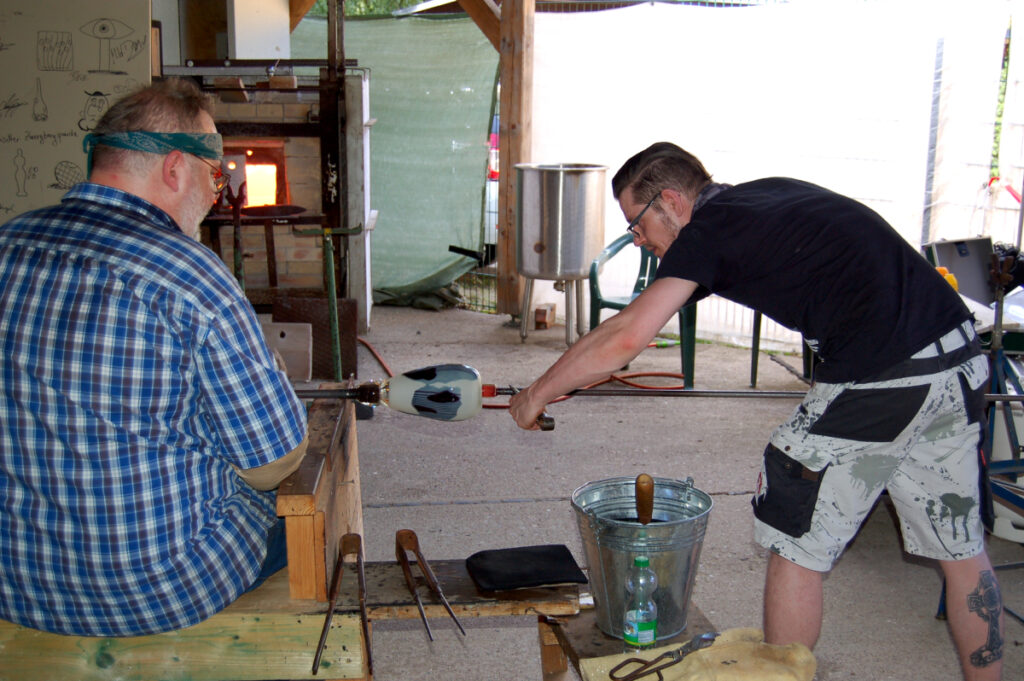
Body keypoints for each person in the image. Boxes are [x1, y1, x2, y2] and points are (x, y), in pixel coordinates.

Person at [509, 142, 1004, 681]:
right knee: (962, 553)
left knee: (795, 541)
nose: (637, 237)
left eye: (637, 221)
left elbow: (626, 338)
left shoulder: (708, 231)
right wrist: (555, 381)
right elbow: (625, 324)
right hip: (957, 361)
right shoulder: (763, 199)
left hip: (882, 373)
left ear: (671, 200)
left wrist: (535, 394)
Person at [0, 79, 308, 637]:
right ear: (174, 169)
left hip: (14, 582)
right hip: (154, 588)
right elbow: (274, 461)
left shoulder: (7, 244)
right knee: (305, 519)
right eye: (215, 175)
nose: (218, 192)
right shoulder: (190, 274)